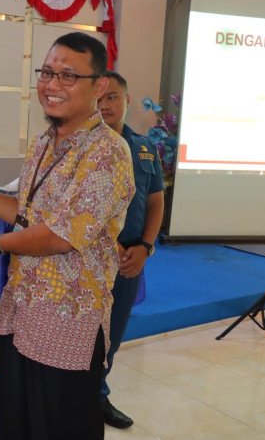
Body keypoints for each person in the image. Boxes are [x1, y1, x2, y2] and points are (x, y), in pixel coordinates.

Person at [0, 32, 135, 440]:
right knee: (18, 424)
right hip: (23, 310)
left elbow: (60, 235)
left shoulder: (107, 152)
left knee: (62, 428)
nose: (52, 85)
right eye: (47, 73)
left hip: (68, 321)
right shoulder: (44, 142)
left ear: (99, 86)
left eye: (68, 76)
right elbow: (26, 215)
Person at [97, 71, 164, 428]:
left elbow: (155, 201)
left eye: (112, 97)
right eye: (99, 98)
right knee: (84, 335)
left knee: (113, 334)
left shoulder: (144, 147)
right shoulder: (82, 145)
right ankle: (74, 399)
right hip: (90, 260)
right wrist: (111, 244)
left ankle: (98, 395)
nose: (105, 105)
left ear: (127, 99)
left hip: (130, 260)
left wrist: (146, 247)